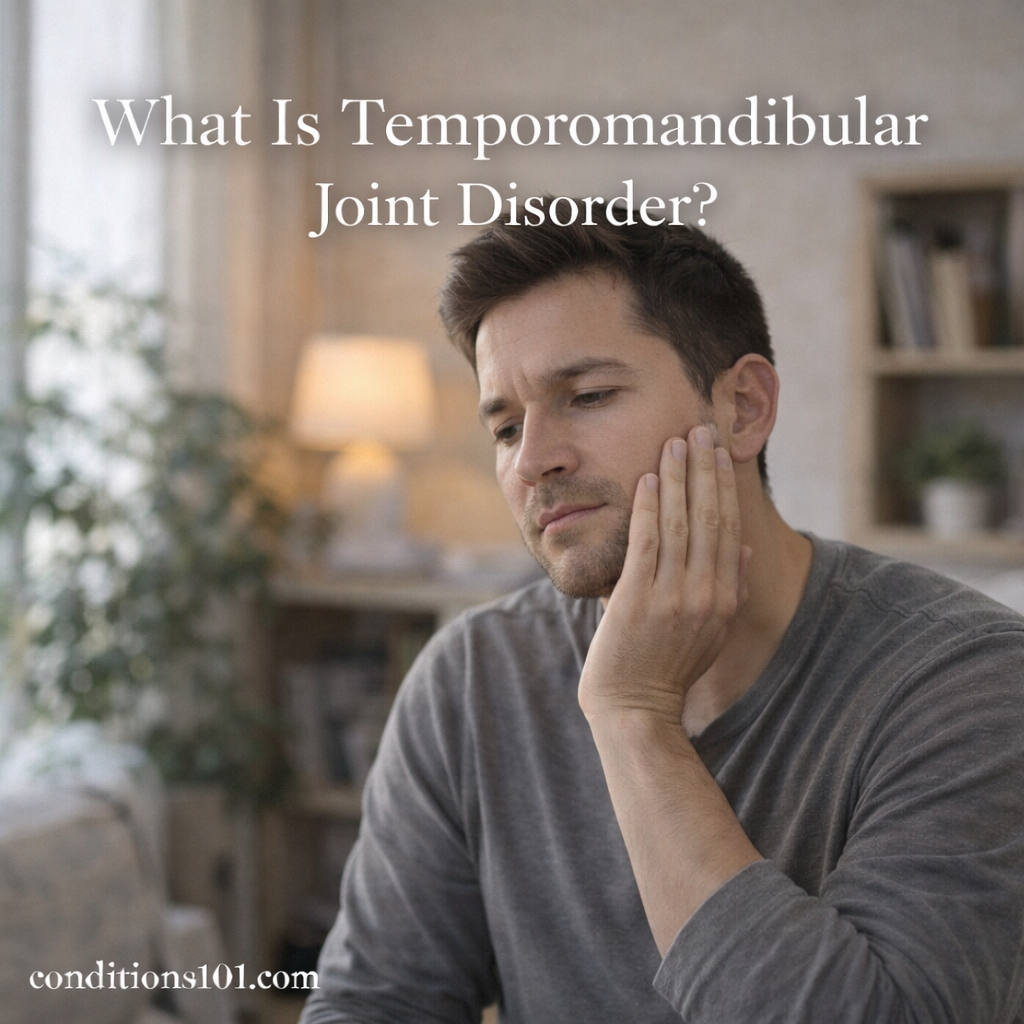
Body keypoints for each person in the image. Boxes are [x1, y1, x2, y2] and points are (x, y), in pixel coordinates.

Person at [300, 203, 1024, 1024]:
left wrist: (634, 716)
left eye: (588, 394)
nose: (534, 460)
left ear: (744, 407)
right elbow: (374, 1004)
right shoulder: (470, 677)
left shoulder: (972, 681)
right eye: (505, 428)